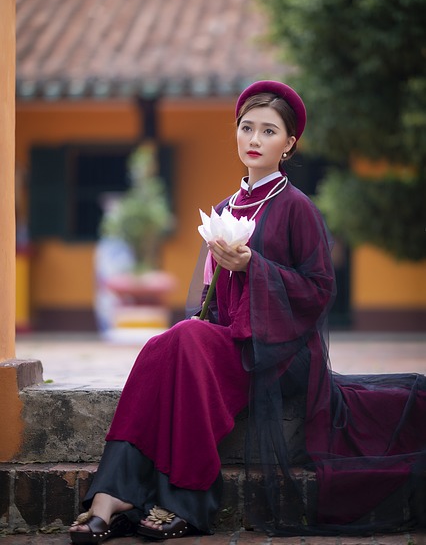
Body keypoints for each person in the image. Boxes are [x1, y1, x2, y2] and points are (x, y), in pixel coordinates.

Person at [69, 81, 426, 544]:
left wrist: (256, 266)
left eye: (269, 131)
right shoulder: (223, 210)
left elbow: (320, 290)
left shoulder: (298, 208)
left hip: (282, 351)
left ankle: (184, 499)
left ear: (289, 143)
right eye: (246, 128)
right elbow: (206, 297)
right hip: (228, 344)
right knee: (165, 344)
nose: (254, 140)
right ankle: (112, 492)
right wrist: (205, 311)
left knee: (186, 340)